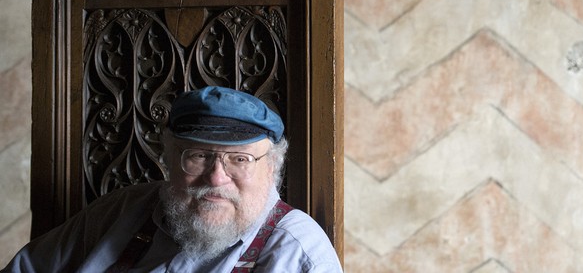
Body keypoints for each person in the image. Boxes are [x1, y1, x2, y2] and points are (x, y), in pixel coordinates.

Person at [2, 86, 343, 272]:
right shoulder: (120, 210)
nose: (217, 176)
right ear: (168, 160)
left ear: (272, 168)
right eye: (199, 156)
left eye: (239, 159)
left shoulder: (299, 254)